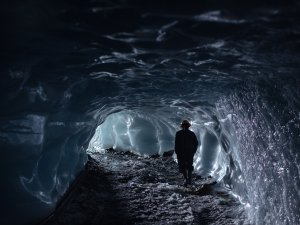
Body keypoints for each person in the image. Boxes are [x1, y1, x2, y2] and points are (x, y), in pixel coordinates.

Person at [175, 120, 199, 187]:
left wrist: (177, 152)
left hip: (182, 152)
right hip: (189, 152)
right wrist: (193, 151)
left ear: (182, 126)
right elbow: (196, 143)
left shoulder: (178, 133)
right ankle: (189, 180)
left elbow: (176, 144)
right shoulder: (192, 133)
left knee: (183, 166)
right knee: (189, 166)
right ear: (188, 126)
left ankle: (186, 179)